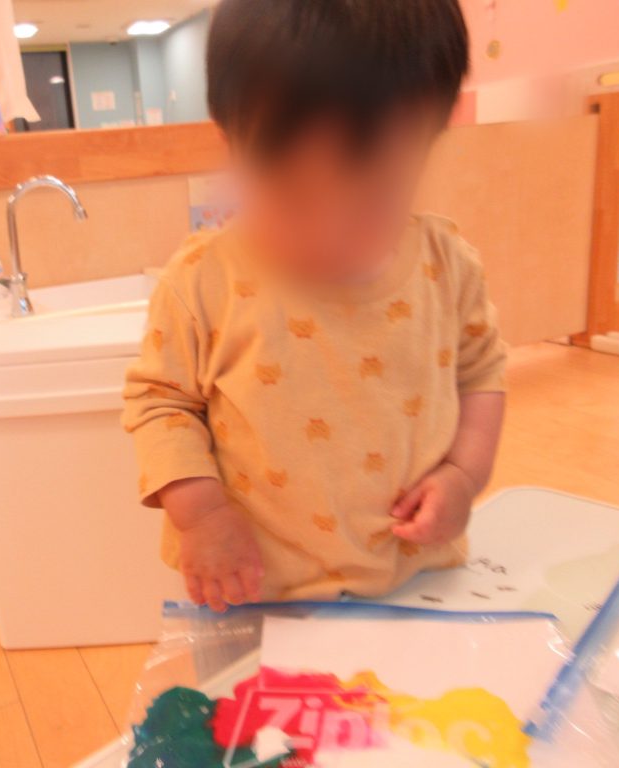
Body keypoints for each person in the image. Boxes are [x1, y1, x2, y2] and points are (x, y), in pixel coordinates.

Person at [123, 0, 506, 611]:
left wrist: (464, 475)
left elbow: (482, 373)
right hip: (251, 589)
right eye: (292, 196)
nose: (328, 235)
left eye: (374, 199)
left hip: (415, 582)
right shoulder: (200, 281)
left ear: (431, 143)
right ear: (230, 143)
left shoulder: (448, 267)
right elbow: (160, 403)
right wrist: (202, 515)